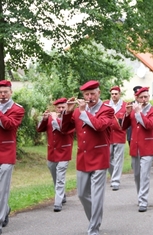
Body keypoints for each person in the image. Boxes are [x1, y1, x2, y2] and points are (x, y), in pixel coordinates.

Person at [61, 80, 114, 235]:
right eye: (86, 94)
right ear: (82, 95)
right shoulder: (78, 111)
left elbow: (99, 126)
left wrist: (84, 112)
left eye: (92, 93)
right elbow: (65, 129)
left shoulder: (107, 110)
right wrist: (69, 111)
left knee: (97, 195)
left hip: (99, 156)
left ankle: (93, 228)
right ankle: (94, 219)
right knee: (82, 194)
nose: (90, 97)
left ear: (99, 93)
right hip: (83, 157)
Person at [122, 87, 153, 212]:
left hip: (148, 147)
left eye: (146, 97)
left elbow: (149, 125)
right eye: (141, 97)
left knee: (144, 175)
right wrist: (127, 114)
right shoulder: (133, 110)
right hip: (135, 146)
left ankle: (143, 200)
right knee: (137, 175)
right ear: (136, 98)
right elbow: (123, 127)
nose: (144, 99)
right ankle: (140, 196)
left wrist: (138, 113)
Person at [37, 97, 74, 212]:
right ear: (55, 108)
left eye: (63, 107)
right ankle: (61, 195)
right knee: (55, 176)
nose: (61, 109)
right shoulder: (50, 117)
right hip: (52, 152)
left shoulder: (71, 119)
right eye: (59, 107)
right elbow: (39, 129)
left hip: (64, 152)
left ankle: (57, 202)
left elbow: (63, 130)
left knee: (60, 177)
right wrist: (44, 119)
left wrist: (54, 119)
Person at [0, 80, 25, 235]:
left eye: (5, 92)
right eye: (0, 92)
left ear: (11, 92)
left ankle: (0, 220)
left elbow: (9, 125)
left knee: (3, 189)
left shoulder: (17, 109)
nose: (2, 95)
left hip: (7, 152)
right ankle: (6, 209)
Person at [104, 86, 126, 191]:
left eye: (116, 94)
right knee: (107, 158)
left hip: (120, 135)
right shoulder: (106, 104)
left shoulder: (125, 105)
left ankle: (115, 181)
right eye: (112, 94)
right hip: (107, 136)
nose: (114, 95)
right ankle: (114, 175)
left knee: (118, 159)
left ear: (119, 94)